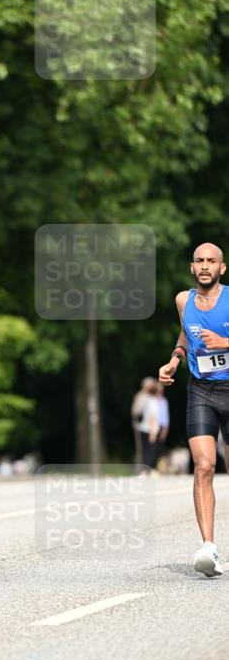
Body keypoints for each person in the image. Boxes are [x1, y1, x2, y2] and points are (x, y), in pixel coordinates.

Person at [159, 242, 229, 577]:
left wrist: (227, 343)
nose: (205, 266)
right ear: (192, 267)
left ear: (222, 268)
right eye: (199, 261)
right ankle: (209, 548)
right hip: (201, 390)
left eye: (211, 261)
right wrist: (175, 359)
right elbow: (185, 335)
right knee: (204, 465)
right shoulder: (183, 300)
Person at [135, 378, 160, 471]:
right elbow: (152, 417)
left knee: (145, 450)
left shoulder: (145, 399)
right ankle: (146, 470)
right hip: (150, 429)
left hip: (143, 428)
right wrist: (153, 432)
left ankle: (144, 469)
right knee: (150, 452)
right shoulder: (153, 401)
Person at [130, 377, 151, 464]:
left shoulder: (151, 396)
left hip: (149, 425)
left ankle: (146, 466)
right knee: (140, 447)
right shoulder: (140, 396)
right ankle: (140, 466)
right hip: (140, 425)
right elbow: (135, 411)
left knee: (148, 447)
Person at [156, 382, 170, 463]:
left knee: (159, 446)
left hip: (161, 426)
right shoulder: (152, 400)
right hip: (152, 426)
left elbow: (166, 417)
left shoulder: (164, 401)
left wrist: (165, 429)